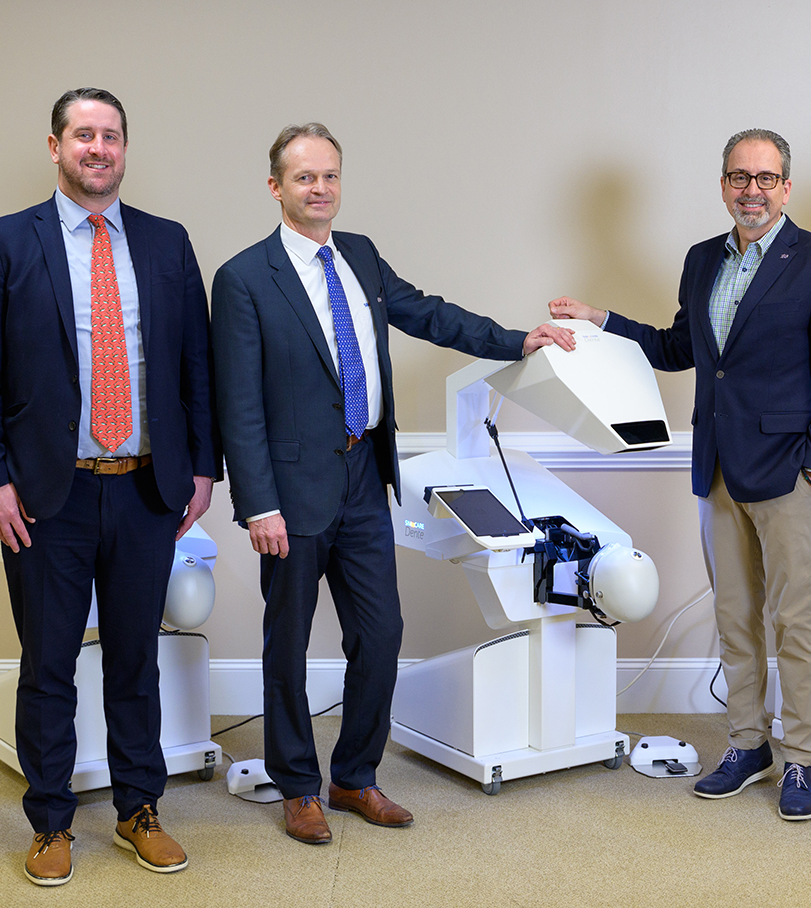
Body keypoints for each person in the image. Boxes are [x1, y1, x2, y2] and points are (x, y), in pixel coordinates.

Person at [211, 123, 574, 845]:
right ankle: (298, 786)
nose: (320, 189)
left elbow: (429, 314)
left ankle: (353, 776)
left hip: (362, 476)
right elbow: (238, 404)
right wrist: (257, 503)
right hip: (290, 490)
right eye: (305, 177)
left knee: (380, 634)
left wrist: (516, 340)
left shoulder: (362, 256)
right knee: (286, 643)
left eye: (330, 176)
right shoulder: (244, 278)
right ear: (276, 186)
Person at [550, 129, 811, 820]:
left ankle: (801, 761)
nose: (751, 190)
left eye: (765, 178)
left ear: (786, 187)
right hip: (716, 465)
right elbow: (676, 347)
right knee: (734, 616)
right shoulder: (702, 262)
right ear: (723, 185)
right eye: (738, 177)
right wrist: (600, 319)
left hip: (787, 472)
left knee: (794, 620)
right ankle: (748, 744)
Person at [0, 88, 222, 886]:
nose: (97, 147)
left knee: (137, 658)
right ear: (55, 147)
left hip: (145, 491)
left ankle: (140, 808)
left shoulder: (168, 244)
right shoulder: (3, 242)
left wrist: (203, 469)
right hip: (44, 496)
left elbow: (194, 368)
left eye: (110, 135)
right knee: (49, 663)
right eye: (82, 135)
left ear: (125, 149)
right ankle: (50, 822)